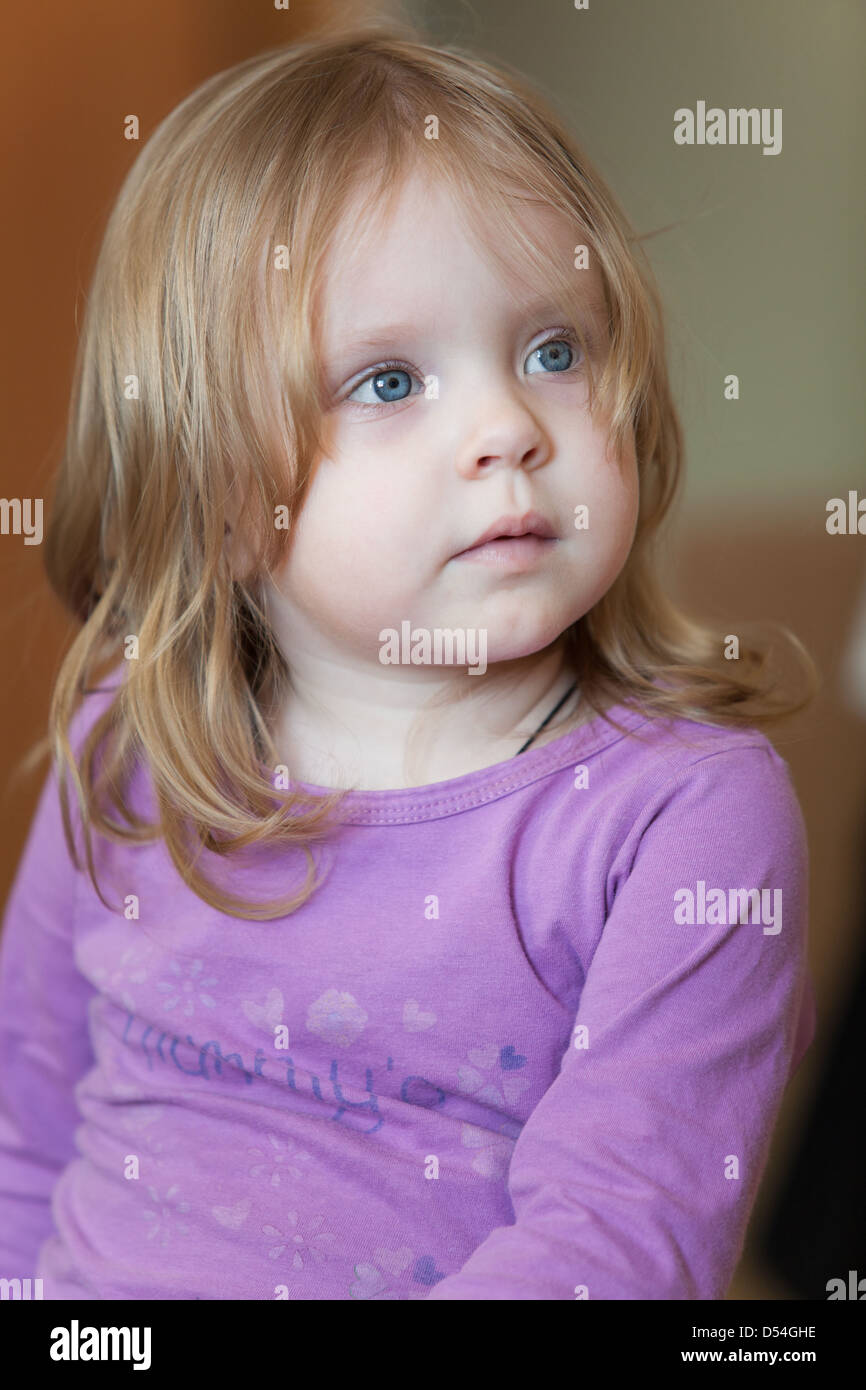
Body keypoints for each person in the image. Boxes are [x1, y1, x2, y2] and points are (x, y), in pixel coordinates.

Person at [0, 22, 818, 1301]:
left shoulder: (686, 819)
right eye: (387, 380)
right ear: (218, 498)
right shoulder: (127, 750)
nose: (506, 426)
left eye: (556, 350)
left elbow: (617, 1243)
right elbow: (21, 1132)